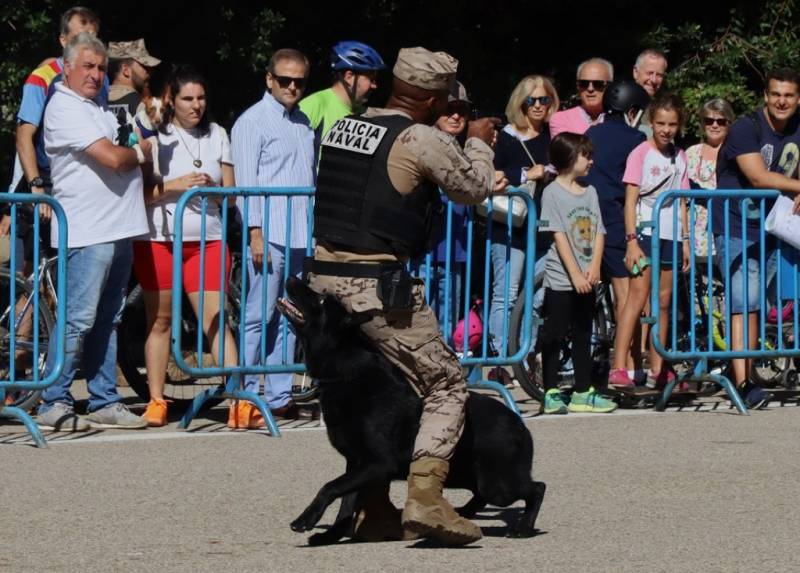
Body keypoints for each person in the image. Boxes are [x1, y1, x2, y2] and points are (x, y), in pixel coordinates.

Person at [306, 46, 506, 545]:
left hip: (325, 282)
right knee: (445, 384)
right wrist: (479, 143)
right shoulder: (418, 137)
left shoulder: (345, 126)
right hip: (376, 287)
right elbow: (474, 188)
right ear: (433, 99)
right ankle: (426, 499)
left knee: (376, 392)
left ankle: (373, 509)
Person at [36, 33, 150, 431]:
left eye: (101, 68)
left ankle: (103, 399)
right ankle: (54, 399)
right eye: (88, 66)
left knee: (109, 318)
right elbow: (114, 158)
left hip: (117, 227)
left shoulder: (96, 107)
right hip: (88, 231)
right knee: (78, 320)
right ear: (66, 67)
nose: (96, 74)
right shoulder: (64, 107)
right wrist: (139, 153)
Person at [134, 65, 239, 427]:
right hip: (159, 240)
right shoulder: (155, 137)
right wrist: (175, 185)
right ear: (171, 100)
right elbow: (141, 196)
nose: (196, 105)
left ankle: (238, 398)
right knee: (159, 320)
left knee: (214, 320)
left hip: (208, 239)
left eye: (201, 98)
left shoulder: (217, 134)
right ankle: (156, 399)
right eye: (187, 99)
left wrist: (214, 188)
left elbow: (231, 197)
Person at [231, 48, 316, 428]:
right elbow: (246, 184)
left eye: (299, 81)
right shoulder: (252, 122)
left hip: (299, 233)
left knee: (288, 319)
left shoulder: (303, 122)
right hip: (269, 232)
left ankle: (279, 396)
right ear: (269, 79)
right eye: (285, 80)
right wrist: (254, 233)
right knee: (257, 315)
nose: (292, 87)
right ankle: (245, 395)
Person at [712, 68, 800, 408]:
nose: (781, 100)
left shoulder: (797, 127)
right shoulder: (746, 128)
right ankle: (743, 382)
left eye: (789, 95)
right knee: (743, 302)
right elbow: (758, 176)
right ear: (765, 95)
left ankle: (746, 370)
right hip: (736, 226)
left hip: (775, 226)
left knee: (760, 305)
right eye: (776, 93)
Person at [609, 92, 690, 389]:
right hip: (644, 233)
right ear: (651, 123)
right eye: (660, 123)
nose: (666, 130)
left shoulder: (680, 156)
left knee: (664, 302)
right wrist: (631, 240)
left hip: (670, 235)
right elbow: (630, 200)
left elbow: (681, 200)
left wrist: (685, 241)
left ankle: (660, 367)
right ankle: (619, 366)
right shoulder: (640, 153)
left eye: (671, 124)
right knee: (637, 298)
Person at [538, 132, 615, 414]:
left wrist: (594, 266)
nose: (591, 161)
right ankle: (551, 391)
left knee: (584, 332)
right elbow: (557, 235)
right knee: (555, 333)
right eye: (586, 155)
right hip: (562, 278)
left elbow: (599, 231)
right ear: (570, 157)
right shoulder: (551, 193)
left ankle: (583, 391)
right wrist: (575, 275)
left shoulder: (590, 192)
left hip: (587, 277)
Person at [584, 81, 649, 382]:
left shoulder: (590, 133)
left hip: (588, 219)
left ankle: (627, 363)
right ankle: (626, 365)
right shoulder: (635, 138)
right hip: (616, 221)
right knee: (628, 297)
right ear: (632, 111)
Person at [489, 75, 557, 355]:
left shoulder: (553, 137)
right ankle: (502, 356)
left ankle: (525, 355)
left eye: (545, 99)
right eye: (532, 100)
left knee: (538, 294)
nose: (539, 105)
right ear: (521, 103)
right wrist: (527, 174)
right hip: (508, 225)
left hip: (543, 226)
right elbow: (489, 177)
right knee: (506, 293)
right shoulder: (504, 138)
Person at [425, 81, 473, 332]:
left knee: (447, 326)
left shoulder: (465, 150)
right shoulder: (420, 142)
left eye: (462, 111)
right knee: (417, 327)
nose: (456, 116)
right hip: (422, 254)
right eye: (449, 109)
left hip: (454, 254)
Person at [299, 41, 385, 150]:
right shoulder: (313, 105)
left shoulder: (365, 113)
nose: (374, 86)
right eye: (371, 79)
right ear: (349, 77)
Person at [685, 98, 733, 257]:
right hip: (690, 231)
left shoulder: (735, 154)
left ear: (729, 124)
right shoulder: (691, 152)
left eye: (721, 121)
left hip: (722, 228)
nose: (714, 125)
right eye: (709, 120)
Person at [549, 58, 613, 138]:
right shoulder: (561, 119)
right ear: (578, 86)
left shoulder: (620, 120)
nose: (590, 89)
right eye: (584, 83)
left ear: (610, 86)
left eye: (598, 84)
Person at [107, 38, 161, 117]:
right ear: (126, 70)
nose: (150, 72)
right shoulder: (143, 107)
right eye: (144, 66)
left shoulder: (97, 102)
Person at [632, 48, 668, 137]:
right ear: (636, 72)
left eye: (659, 75)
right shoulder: (618, 104)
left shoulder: (662, 110)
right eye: (649, 73)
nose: (653, 80)